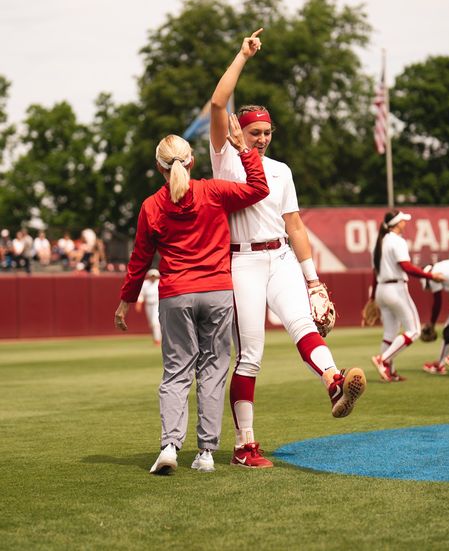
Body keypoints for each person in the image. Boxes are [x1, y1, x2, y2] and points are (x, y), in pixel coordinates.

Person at [209, 28, 367, 469]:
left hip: (278, 255)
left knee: (302, 323)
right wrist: (242, 55)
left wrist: (314, 279)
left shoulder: (280, 170)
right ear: (242, 130)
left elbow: (294, 224)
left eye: (267, 132)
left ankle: (335, 382)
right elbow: (218, 104)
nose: (261, 139)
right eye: (255, 131)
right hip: (242, 260)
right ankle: (244, 445)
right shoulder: (225, 157)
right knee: (252, 353)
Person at [114, 117, 269, 475]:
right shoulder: (213, 191)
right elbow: (259, 189)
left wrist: (125, 301)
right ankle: (206, 454)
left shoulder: (152, 206)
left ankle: (170, 444)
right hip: (216, 291)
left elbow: (139, 260)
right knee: (213, 370)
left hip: (176, 295)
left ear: (159, 168)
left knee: (176, 372)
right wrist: (244, 150)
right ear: (192, 162)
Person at [370, 210, 444, 382]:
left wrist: (373, 297)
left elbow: (375, 272)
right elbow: (406, 266)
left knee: (390, 333)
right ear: (397, 223)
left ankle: (389, 371)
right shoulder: (397, 241)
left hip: (382, 289)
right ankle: (383, 360)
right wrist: (431, 276)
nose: (405, 223)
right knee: (414, 330)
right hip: (396, 289)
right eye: (403, 220)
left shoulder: (380, 243)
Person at [136, 268, 162, 344]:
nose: (153, 277)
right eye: (152, 276)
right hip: (148, 305)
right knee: (151, 323)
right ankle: (155, 338)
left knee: (155, 322)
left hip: (157, 304)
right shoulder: (145, 284)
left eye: (154, 276)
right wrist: (139, 303)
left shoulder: (159, 283)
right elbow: (141, 295)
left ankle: (158, 340)